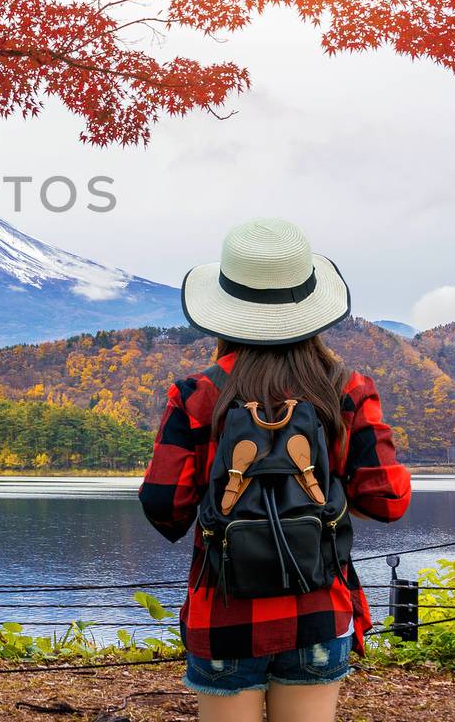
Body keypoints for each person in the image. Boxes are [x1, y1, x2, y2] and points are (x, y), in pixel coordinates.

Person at [141, 218, 411, 722]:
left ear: (225, 308)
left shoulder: (197, 394)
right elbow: (389, 501)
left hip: (221, 614)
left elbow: (163, 509)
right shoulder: (347, 389)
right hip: (319, 609)